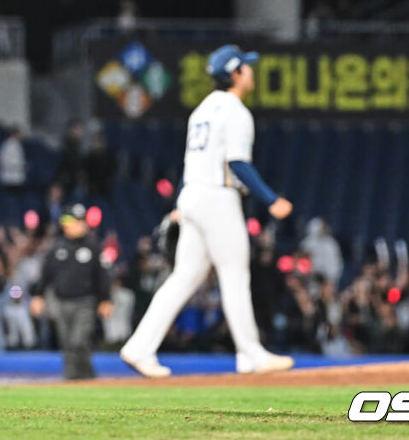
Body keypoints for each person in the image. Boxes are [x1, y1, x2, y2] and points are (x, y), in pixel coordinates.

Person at [120, 44, 295, 377]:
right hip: (217, 197)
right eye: (245, 66)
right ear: (234, 73)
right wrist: (271, 199)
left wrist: (180, 206)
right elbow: (238, 164)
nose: (250, 71)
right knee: (234, 274)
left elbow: (191, 165)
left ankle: (139, 347)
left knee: (184, 277)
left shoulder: (201, 109)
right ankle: (252, 354)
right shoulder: (236, 111)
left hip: (193, 195)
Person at [30, 203, 113, 379]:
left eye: (77, 222)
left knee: (79, 340)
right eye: (69, 221)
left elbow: (102, 276)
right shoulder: (57, 247)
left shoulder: (93, 246)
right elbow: (46, 274)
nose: (72, 226)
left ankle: (84, 377)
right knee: (67, 343)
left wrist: (106, 299)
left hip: (85, 302)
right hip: (61, 301)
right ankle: (73, 379)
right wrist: (38, 295)